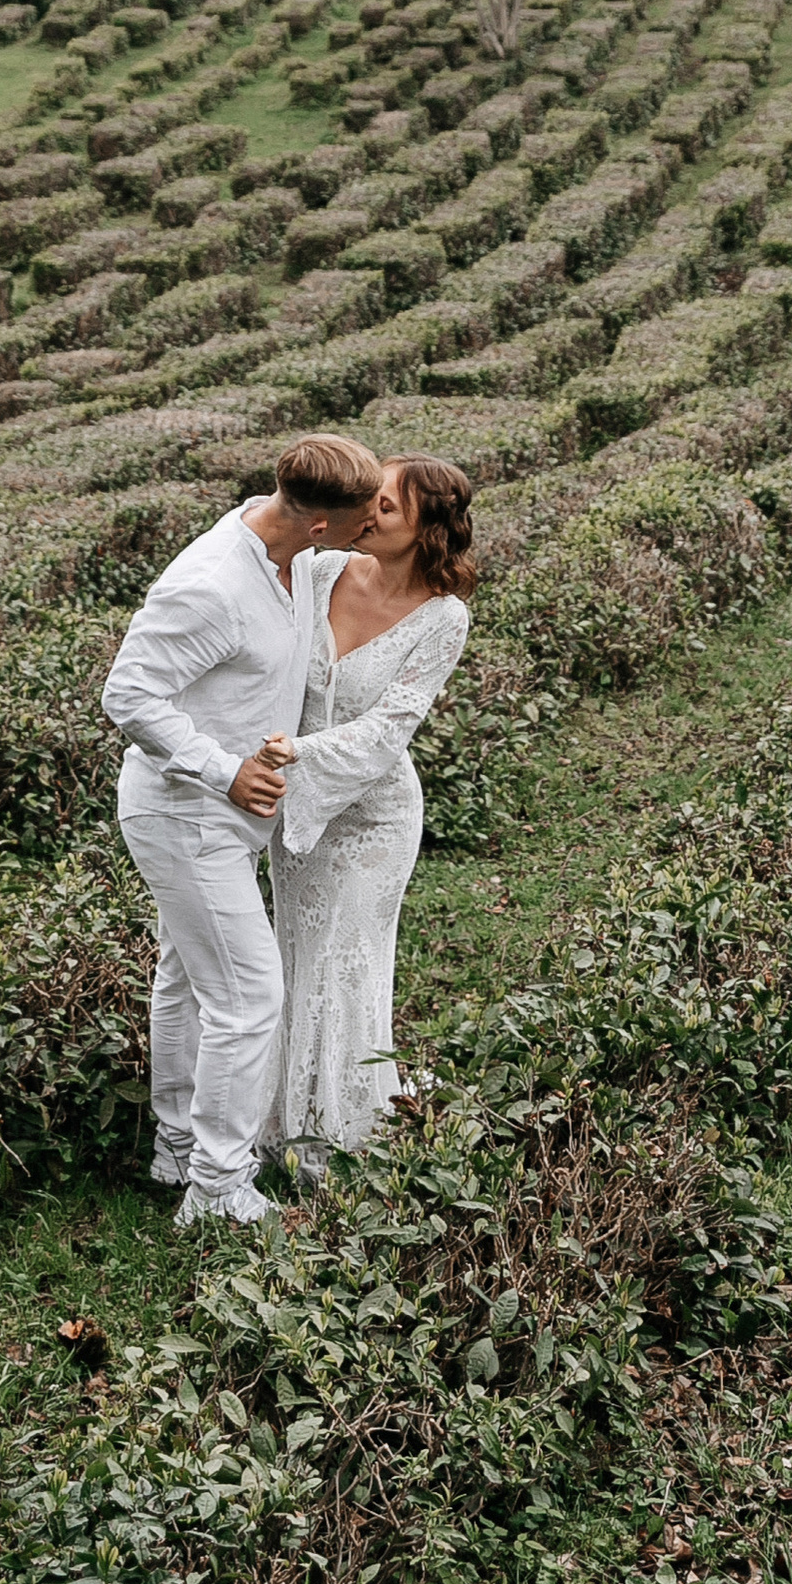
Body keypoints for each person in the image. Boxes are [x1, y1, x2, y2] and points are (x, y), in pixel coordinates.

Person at [103, 430, 385, 1228]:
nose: (370, 529)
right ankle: (219, 1188)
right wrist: (223, 769)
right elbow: (128, 694)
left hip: (222, 818)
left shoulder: (292, 554)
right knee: (250, 994)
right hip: (186, 814)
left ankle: (176, 1149)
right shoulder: (212, 584)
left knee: (188, 980)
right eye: (361, 520)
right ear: (320, 525)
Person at [267, 455, 475, 1179]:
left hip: (374, 819)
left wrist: (296, 752)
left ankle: (337, 1131)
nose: (367, 512)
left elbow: (389, 731)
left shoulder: (444, 618)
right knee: (297, 955)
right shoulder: (321, 570)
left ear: (426, 528)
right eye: (369, 499)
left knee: (347, 961)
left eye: (385, 506)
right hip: (298, 807)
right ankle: (284, 1115)